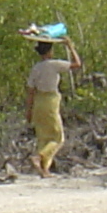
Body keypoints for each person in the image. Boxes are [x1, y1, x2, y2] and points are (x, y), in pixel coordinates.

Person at [25, 38, 78, 176]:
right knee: (57, 138)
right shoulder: (54, 65)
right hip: (50, 101)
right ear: (50, 51)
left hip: (38, 102)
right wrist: (70, 47)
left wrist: (29, 111)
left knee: (43, 137)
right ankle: (39, 157)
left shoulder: (36, 68)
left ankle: (44, 169)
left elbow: (30, 91)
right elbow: (77, 64)